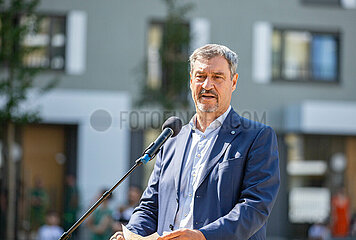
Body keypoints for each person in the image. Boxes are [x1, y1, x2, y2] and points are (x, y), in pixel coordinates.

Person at [111, 44, 280, 240]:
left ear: (233, 82)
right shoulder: (172, 139)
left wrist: (203, 236)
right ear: (191, 80)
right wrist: (132, 235)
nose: (207, 85)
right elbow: (151, 205)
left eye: (217, 77)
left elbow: (255, 207)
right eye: (201, 76)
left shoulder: (257, 137)